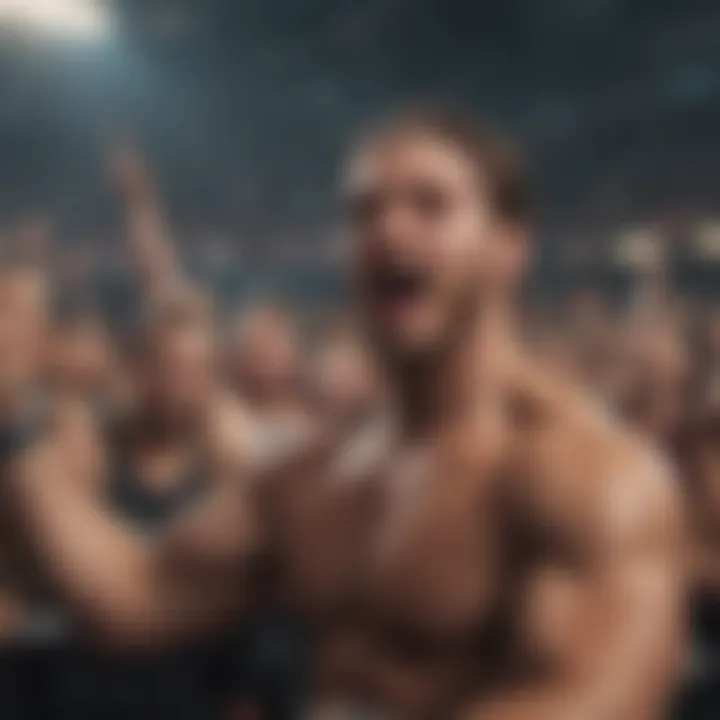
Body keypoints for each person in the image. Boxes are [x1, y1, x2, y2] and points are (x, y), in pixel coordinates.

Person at [5, 108, 685, 718]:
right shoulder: (312, 473)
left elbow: (587, 701)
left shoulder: (591, 478)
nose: (389, 228)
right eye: (365, 210)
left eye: (430, 205)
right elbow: (134, 599)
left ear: (508, 246)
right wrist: (22, 422)